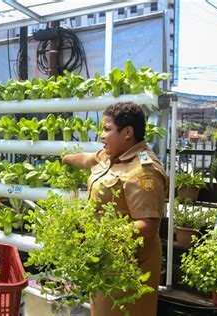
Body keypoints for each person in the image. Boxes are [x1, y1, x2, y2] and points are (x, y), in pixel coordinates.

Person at [62, 102, 168, 316]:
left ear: (127, 132)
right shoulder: (111, 155)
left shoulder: (143, 171)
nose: (102, 135)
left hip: (129, 266)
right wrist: (65, 159)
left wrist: (102, 237)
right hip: (106, 257)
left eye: (107, 129)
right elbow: (87, 159)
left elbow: (148, 225)